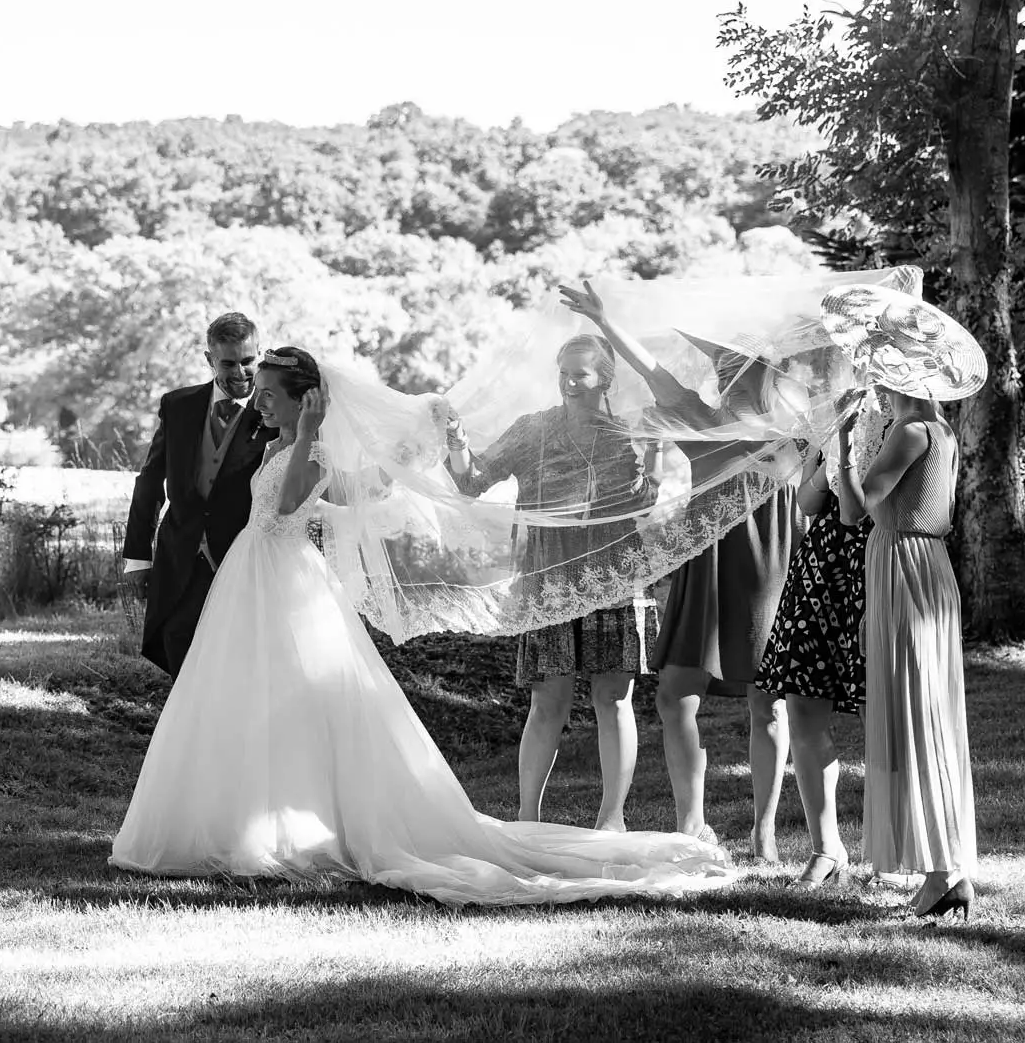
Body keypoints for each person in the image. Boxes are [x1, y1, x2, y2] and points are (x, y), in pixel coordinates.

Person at [110, 348, 735, 907]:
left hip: (282, 579)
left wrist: (313, 435)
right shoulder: (278, 443)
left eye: (270, 393)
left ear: (305, 400)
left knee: (300, 698)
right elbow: (353, 496)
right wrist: (392, 452)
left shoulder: (308, 444)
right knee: (251, 698)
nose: (258, 400)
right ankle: (249, 816)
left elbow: (297, 499)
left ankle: (294, 825)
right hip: (256, 575)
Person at [559, 281, 800, 858]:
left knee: (769, 701)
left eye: (738, 371)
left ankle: (764, 835)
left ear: (763, 378)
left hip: (770, 564)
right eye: (725, 372)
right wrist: (606, 320)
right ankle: (692, 824)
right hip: (708, 565)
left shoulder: (792, 434)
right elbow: (653, 373)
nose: (726, 379)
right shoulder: (701, 420)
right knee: (675, 695)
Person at [444, 335, 656, 833]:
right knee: (548, 701)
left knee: (613, 698)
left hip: (612, 573)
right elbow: (471, 481)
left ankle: (612, 818)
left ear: (604, 379)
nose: (568, 381)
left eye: (580, 373)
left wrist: (650, 462)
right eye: (563, 371)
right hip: (550, 576)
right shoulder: (532, 430)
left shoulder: (620, 434)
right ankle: (526, 819)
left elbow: (642, 504)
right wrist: (458, 445)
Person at [840, 384, 975, 918]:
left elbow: (858, 508)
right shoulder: (942, 430)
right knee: (929, 711)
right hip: (926, 567)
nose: (878, 384)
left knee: (916, 715)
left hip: (904, 569)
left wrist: (846, 443)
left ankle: (942, 874)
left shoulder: (909, 431)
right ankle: (944, 867)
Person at [752, 404, 876, 888]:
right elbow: (806, 502)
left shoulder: (895, 425)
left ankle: (892, 852)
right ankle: (827, 849)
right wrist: (828, 455)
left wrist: (844, 451)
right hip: (816, 572)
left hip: (867, 570)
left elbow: (853, 512)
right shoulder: (832, 421)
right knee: (803, 706)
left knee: (876, 714)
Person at [121, 312, 274, 676]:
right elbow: (149, 481)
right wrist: (138, 558)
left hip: (241, 558)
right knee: (176, 641)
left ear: (260, 354)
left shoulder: (274, 413)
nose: (240, 372)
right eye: (229, 363)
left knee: (236, 658)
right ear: (209, 360)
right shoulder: (178, 406)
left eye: (248, 361)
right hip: (181, 554)